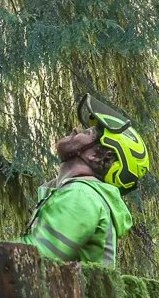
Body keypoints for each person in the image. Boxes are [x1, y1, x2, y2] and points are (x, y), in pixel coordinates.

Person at [24, 104, 149, 267]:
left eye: (87, 133)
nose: (75, 130)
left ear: (98, 157)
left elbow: (35, 257)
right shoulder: (80, 194)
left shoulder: (81, 195)